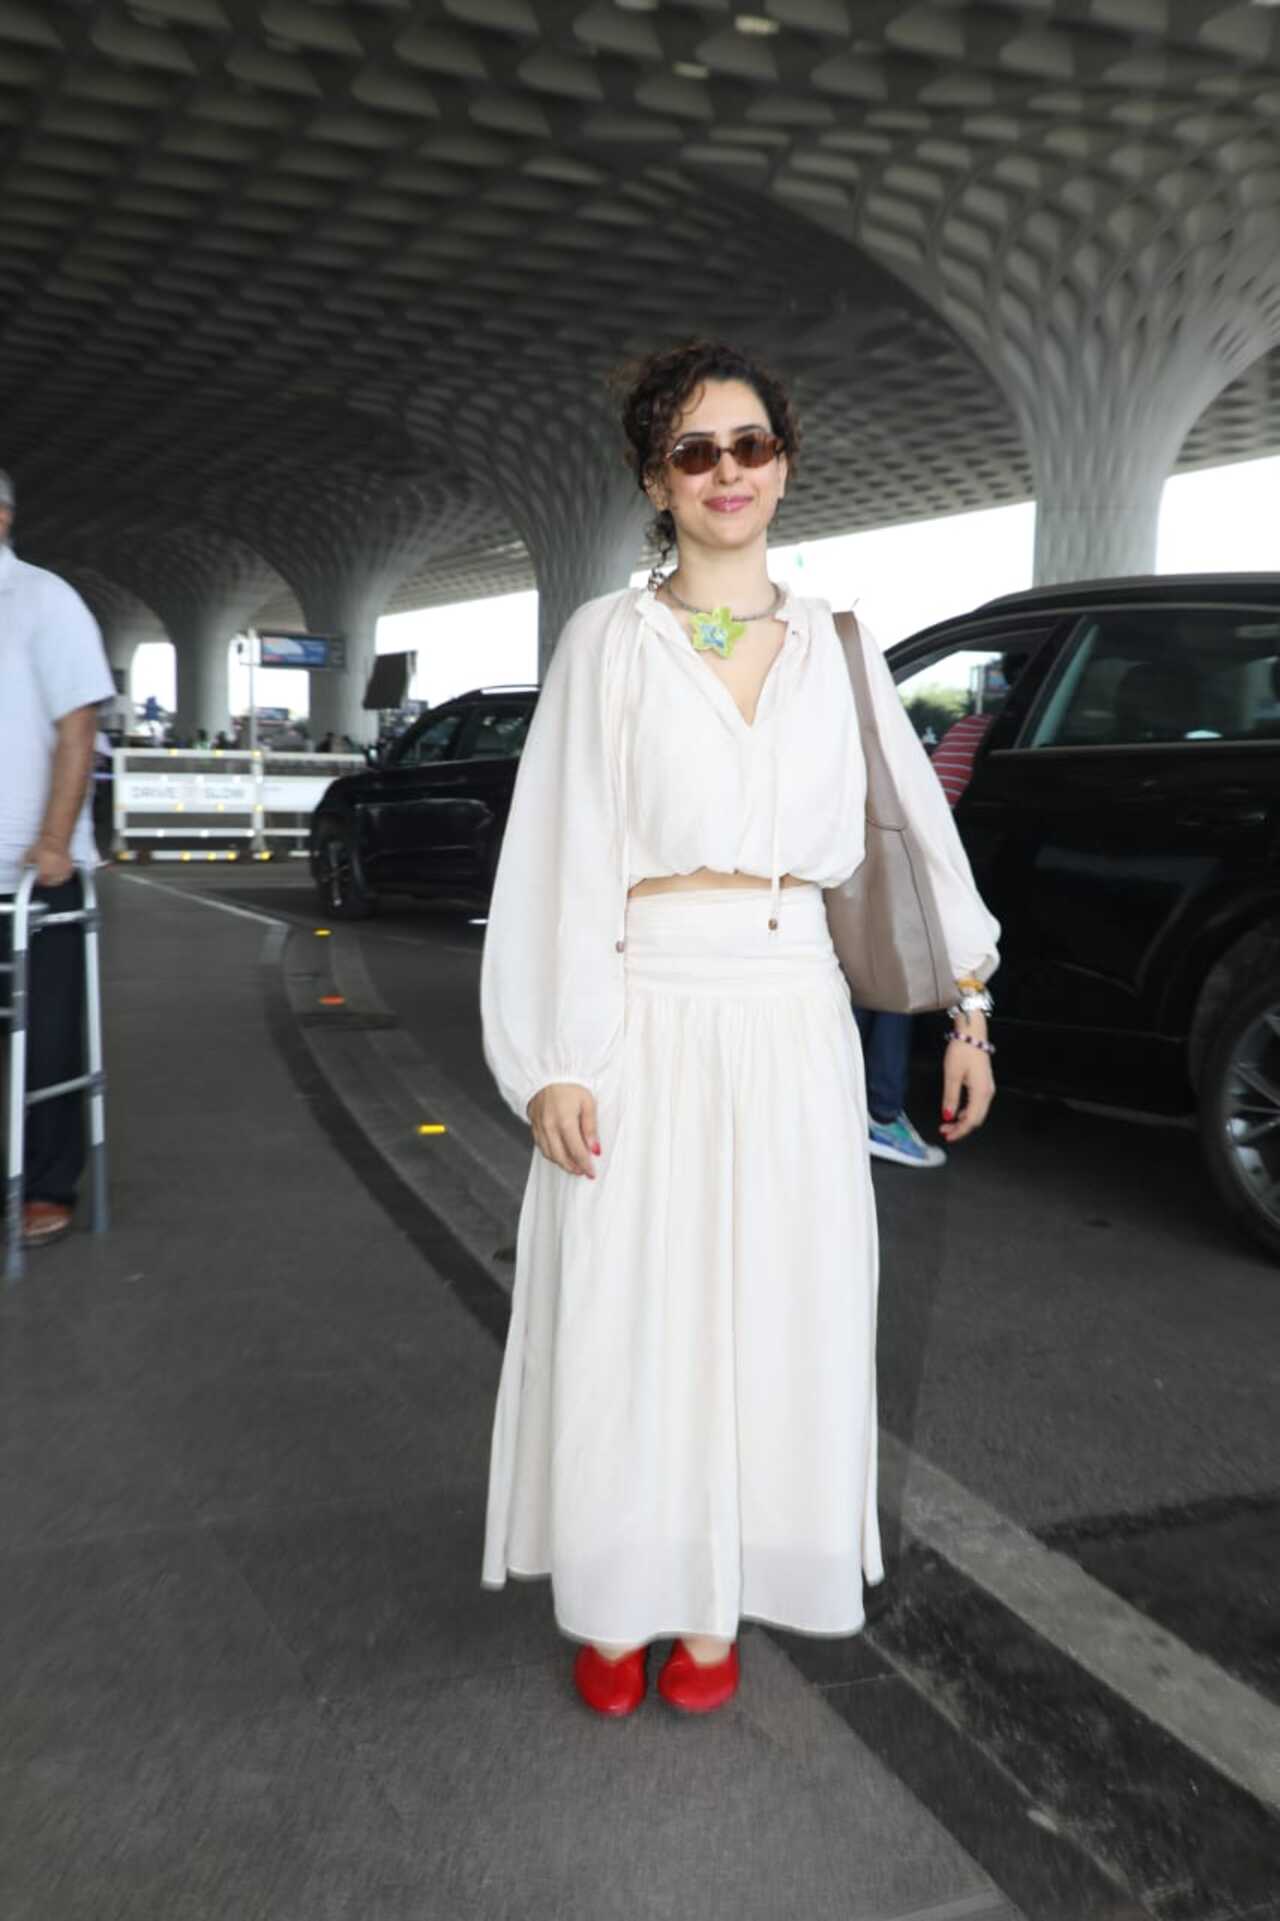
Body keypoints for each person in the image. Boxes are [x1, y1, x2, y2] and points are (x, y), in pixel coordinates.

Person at [479, 342, 998, 1719]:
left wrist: (971, 1008)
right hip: (644, 1007)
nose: (729, 473)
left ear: (785, 464)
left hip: (792, 1021)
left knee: (778, 1317)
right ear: (656, 476)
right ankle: (618, 1594)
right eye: (697, 450)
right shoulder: (610, 640)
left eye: (751, 445)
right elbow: (558, 854)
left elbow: (915, 834)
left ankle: (714, 1604)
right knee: (632, 1318)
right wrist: (554, 1058)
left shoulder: (838, 643)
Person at [0, 468, 115, 1248]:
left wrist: (53, 840)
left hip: (33, 870)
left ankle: (46, 1182)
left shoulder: (44, 599)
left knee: (45, 1036)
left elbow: (79, 728)